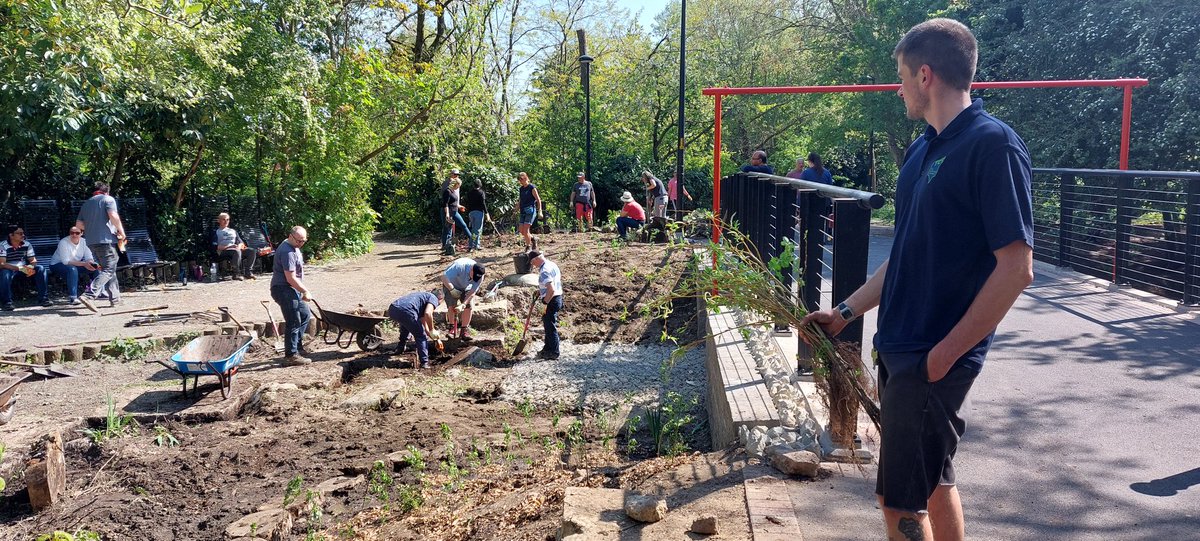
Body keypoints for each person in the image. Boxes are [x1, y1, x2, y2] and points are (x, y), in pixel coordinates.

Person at [800, 19, 1033, 541]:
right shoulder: (921, 152)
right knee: (932, 481)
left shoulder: (992, 146)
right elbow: (903, 256)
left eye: (901, 76)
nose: (898, 87)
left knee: (897, 502)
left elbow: (1017, 268)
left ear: (925, 75)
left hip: (931, 356)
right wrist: (843, 313)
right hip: (903, 348)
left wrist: (944, 355)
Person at [75, 181, 126, 309]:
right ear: (106, 191)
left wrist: (93, 227)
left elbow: (79, 226)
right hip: (106, 240)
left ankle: (115, 299)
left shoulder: (86, 204)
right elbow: (113, 216)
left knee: (108, 268)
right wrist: (121, 231)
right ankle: (89, 295)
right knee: (109, 269)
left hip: (91, 241)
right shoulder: (108, 199)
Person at [271, 226, 315, 365]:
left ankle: (297, 346)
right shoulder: (287, 251)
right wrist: (304, 291)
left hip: (290, 289)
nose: (301, 244)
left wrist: (299, 289)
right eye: (299, 241)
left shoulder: (293, 246)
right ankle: (291, 355)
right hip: (282, 289)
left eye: (304, 241)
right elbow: (290, 278)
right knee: (294, 319)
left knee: (304, 314)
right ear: (290, 236)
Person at [387, 289, 444, 369]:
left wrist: (435, 339)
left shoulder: (422, 297)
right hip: (406, 311)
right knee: (421, 336)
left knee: (407, 325)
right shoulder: (433, 298)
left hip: (393, 309)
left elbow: (424, 324)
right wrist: (432, 330)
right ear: (440, 298)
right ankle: (424, 363)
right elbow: (428, 313)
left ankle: (400, 348)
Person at [0, 224, 51, 311]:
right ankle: (6, 302)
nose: (23, 235)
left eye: (23, 233)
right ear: (11, 235)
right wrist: (19, 268)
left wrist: (29, 267)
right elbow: (2, 264)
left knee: (40, 269)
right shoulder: (3, 245)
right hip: (9, 270)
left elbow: (33, 261)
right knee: (5, 274)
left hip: (23, 269)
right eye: (19, 233)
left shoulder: (27, 244)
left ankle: (43, 299)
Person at [49, 226, 100, 305]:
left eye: (77, 233)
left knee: (95, 268)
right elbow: (65, 261)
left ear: (82, 233)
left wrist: (90, 263)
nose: (74, 235)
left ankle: (98, 292)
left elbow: (89, 257)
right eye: (72, 233)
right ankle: (73, 297)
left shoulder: (84, 242)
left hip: (75, 264)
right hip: (57, 265)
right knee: (72, 269)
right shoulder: (63, 242)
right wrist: (84, 264)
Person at [527, 250, 562, 360]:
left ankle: (554, 352)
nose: (532, 265)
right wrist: (540, 291)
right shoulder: (552, 264)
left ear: (536, 259)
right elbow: (551, 284)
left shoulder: (544, 271)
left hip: (551, 300)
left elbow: (551, 290)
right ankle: (547, 348)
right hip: (557, 297)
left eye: (532, 262)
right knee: (547, 325)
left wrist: (544, 302)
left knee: (550, 326)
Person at [441, 257, 486, 340]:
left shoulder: (480, 275)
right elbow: (443, 277)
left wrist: (464, 304)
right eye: (474, 276)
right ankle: (452, 329)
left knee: (469, 306)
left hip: (466, 287)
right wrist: (452, 289)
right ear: (471, 270)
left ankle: (464, 331)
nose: (474, 279)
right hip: (450, 284)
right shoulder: (459, 266)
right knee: (451, 305)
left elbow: (472, 291)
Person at [212, 213, 257, 280]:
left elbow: (241, 242)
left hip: (235, 250)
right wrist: (228, 247)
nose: (226, 221)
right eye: (223, 219)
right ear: (219, 221)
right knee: (236, 251)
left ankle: (248, 273)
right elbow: (214, 246)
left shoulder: (233, 231)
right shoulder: (216, 232)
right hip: (223, 251)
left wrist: (239, 246)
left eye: (227, 219)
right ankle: (236, 274)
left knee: (251, 251)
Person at [441, 170, 470, 256]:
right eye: (458, 186)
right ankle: (446, 247)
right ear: (455, 184)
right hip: (449, 212)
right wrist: (447, 214)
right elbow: (445, 203)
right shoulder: (447, 191)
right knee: (447, 230)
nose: (458, 187)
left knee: (463, 225)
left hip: (454, 211)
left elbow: (453, 202)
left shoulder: (453, 191)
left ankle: (472, 240)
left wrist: (459, 206)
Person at [516, 172, 543, 249]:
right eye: (519, 180)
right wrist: (516, 208)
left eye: (521, 179)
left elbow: (538, 199)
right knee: (521, 230)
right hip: (523, 211)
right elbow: (520, 200)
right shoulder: (521, 189)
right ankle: (534, 239)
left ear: (526, 178)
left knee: (526, 229)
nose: (520, 181)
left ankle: (528, 246)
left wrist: (540, 210)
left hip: (530, 210)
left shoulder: (532, 187)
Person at [464, 180, 490, 252]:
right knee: (477, 230)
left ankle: (473, 244)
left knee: (473, 229)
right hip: (479, 213)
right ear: (480, 185)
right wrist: (487, 213)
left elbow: (467, 203)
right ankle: (474, 245)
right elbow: (483, 204)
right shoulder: (481, 192)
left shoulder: (470, 193)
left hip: (471, 213)